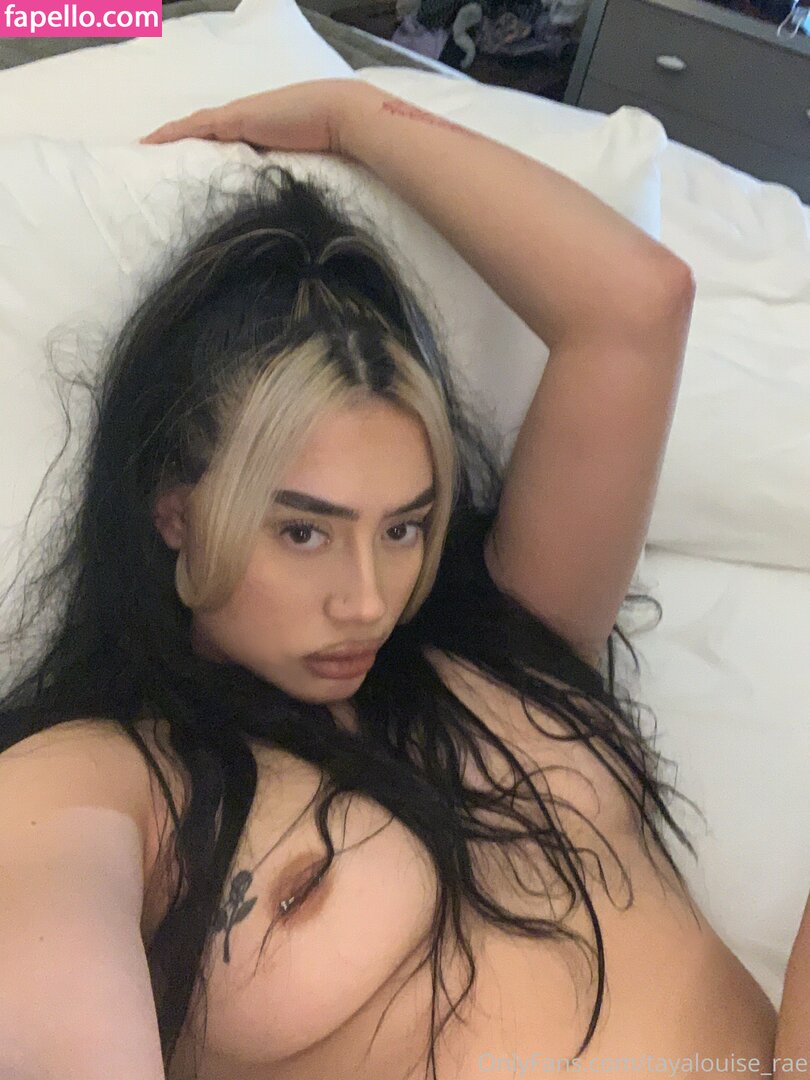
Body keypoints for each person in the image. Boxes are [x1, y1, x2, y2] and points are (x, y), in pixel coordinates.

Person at [0, 77, 778, 1080]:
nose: (370, 601)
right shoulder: (108, 781)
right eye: (305, 532)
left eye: (405, 527)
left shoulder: (510, 631)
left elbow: (638, 304)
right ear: (174, 512)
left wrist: (354, 115)